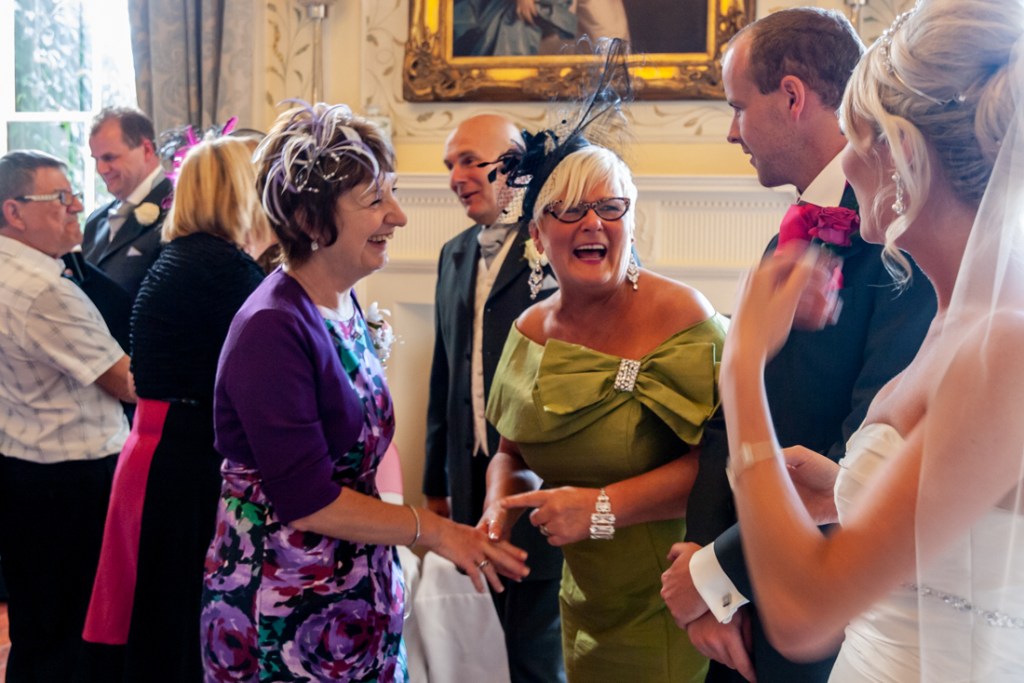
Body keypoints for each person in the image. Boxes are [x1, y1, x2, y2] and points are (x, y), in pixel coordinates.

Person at [716, 0, 1024, 680]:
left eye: (857, 137)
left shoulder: (1004, 344)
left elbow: (804, 612)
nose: (847, 164)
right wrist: (845, 483)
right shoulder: (960, 323)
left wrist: (740, 371)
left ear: (903, 153)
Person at [200, 102, 529, 682]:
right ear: (309, 219)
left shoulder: (337, 302)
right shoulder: (271, 328)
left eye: (391, 193)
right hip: (285, 611)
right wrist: (437, 532)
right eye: (376, 200)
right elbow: (310, 499)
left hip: (351, 601)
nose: (398, 216)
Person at [659, 9, 936, 682]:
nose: (730, 131)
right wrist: (700, 559)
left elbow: (869, 453)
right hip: (746, 612)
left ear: (790, 95)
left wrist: (716, 574)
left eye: (736, 108)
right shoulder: (790, 233)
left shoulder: (907, 250)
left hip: (829, 616)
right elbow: (727, 422)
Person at [483, 138, 728, 682]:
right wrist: (498, 508)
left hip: (681, 598)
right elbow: (511, 453)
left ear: (631, 223)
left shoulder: (684, 317)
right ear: (537, 235)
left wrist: (601, 506)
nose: (593, 222)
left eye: (611, 207)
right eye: (570, 209)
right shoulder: (528, 332)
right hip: (587, 603)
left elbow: (724, 465)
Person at [80, 137, 267, 682]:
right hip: (184, 459)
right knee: (182, 615)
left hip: (160, 447)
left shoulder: (183, 255)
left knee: (158, 609)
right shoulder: (224, 269)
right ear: (240, 193)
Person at [425, 113, 565, 683]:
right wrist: (437, 481)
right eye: (449, 165)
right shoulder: (453, 253)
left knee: (535, 647)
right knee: (477, 641)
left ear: (512, 162)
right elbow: (445, 371)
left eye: (468, 161)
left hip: (536, 477)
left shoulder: (556, 243)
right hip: (468, 473)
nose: (456, 176)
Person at [0, 150, 135, 683]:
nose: (77, 205)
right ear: (14, 212)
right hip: (74, 480)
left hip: (21, 467)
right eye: (59, 198)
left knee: (38, 627)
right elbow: (126, 380)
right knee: (78, 636)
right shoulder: (46, 291)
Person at [83, 107, 172, 300]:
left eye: (109, 157)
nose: (101, 169)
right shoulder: (95, 220)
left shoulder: (177, 210)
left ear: (147, 149)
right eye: (96, 159)